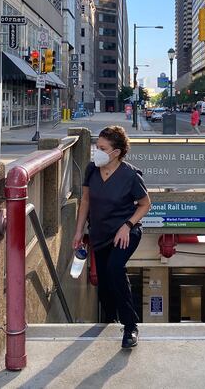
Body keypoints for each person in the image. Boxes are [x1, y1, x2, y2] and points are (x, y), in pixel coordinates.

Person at [73, 126, 151, 349]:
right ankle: (109, 317)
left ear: (115, 152)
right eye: (97, 147)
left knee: (115, 269)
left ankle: (130, 326)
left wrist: (127, 225)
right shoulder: (91, 169)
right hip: (100, 233)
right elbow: (85, 201)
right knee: (105, 283)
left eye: (101, 148)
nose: (96, 152)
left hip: (125, 232)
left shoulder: (130, 175)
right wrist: (79, 231)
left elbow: (146, 204)